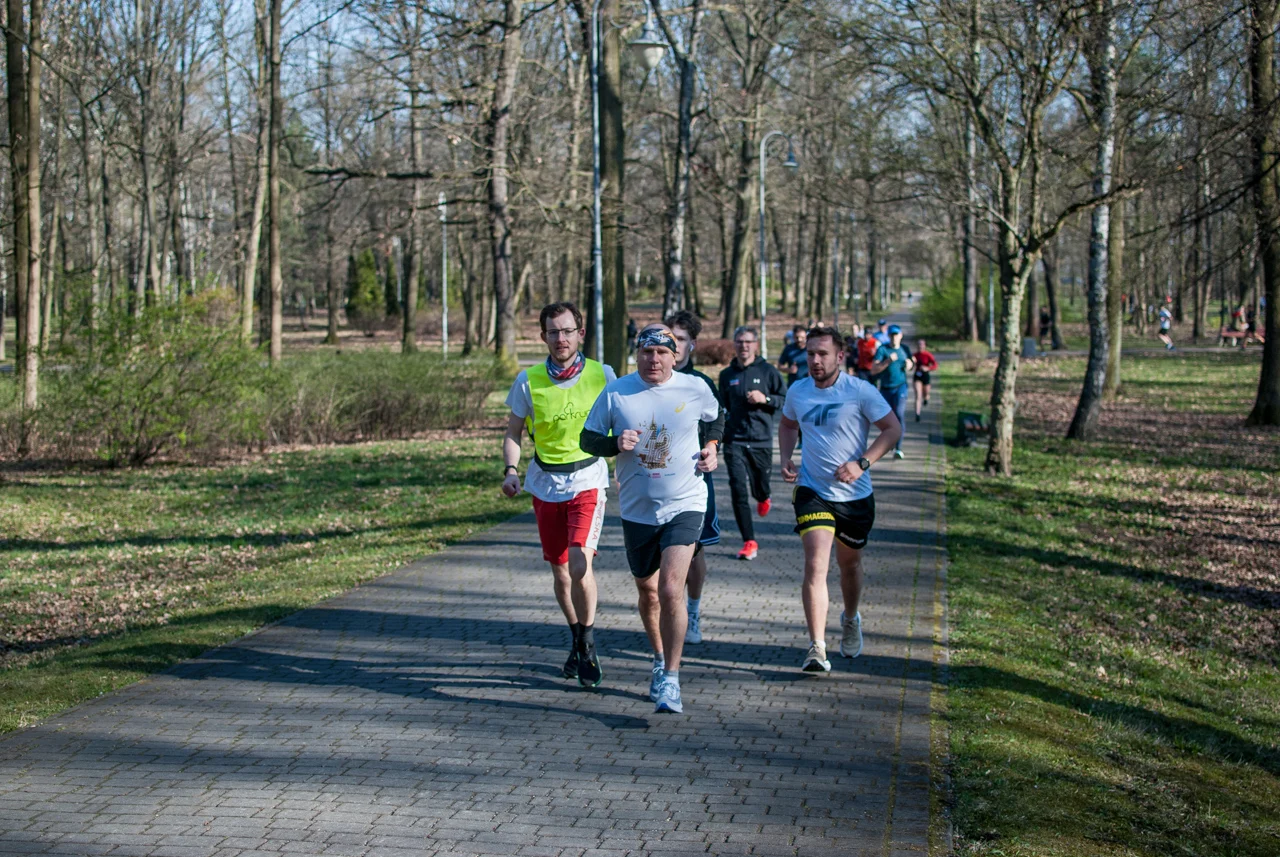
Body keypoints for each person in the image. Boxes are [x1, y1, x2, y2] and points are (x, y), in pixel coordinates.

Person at [580, 324, 721, 714]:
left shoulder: (694, 387)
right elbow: (587, 439)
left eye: (661, 353)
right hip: (638, 509)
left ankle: (672, 679)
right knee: (648, 591)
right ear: (637, 355)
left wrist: (711, 446)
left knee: (671, 590)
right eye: (646, 353)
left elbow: (715, 417)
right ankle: (659, 660)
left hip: (686, 500)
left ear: (675, 355)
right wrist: (614, 443)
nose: (653, 360)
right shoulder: (617, 391)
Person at [501, 301, 616, 688]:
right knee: (561, 570)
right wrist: (510, 471)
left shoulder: (604, 374)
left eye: (568, 331)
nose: (561, 338)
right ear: (543, 336)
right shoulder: (528, 380)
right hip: (545, 483)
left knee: (581, 564)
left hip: (587, 479)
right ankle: (577, 636)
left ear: (581, 334)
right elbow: (513, 432)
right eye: (554, 332)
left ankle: (588, 640)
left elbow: (625, 422)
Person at [778, 326, 902, 673]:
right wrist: (787, 456)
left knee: (850, 566)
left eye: (822, 354)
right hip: (812, 490)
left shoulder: (860, 391)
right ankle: (817, 646)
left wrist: (862, 463)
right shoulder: (798, 391)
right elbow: (788, 425)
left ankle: (850, 617)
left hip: (855, 496)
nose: (815, 361)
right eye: (810, 354)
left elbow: (892, 430)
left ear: (840, 357)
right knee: (816, 564)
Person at [665, 310, 727, 645]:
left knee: (695, 551)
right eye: (669, 340)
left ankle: (693, 609)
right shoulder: (647, 379)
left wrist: (712, 449)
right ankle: (667, 612)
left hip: (693, 479)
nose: (673, 349)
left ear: (693, 345)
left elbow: (718, 422)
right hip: (655, 483)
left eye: (681, 341)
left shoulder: (702, 384)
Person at [719, 325, 787, 562]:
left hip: (761, 440)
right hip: (734, 441)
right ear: (734, 345)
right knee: (738, 490)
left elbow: (784, 400)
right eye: (739, 342)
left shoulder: (768, 372)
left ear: (756, 345)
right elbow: (722, 408)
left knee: (760, 486)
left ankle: (763, 495)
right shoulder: (727, 375)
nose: (743, 346)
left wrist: (764, 398)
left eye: (748, 342)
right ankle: (749, 541)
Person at [870, 324, 914, 459]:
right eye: (892, 335)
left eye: (896, 335)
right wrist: (888, 361)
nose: (894, 338)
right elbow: (874, 369)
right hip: (885, 388)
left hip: (900, 387)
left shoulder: (905, 349)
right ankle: (890, 441)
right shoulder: (883, 349)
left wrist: (909, 365)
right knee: (888, 419)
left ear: (901, 335)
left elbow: (911, 364)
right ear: (888, 336)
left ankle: (899, 448)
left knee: (899, 414)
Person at [912, 339, 938, 422]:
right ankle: (917, 413)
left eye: (922, 345)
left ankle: (926, 398)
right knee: (918, 395)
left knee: (925, 393)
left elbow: (935, 365)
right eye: (919, 345)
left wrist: (928, 368)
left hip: (925, 375)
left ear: (924, 346)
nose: (920, 346)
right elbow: (910, 365)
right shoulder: (915, 355)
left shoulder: (928, 355)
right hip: (917, 376)